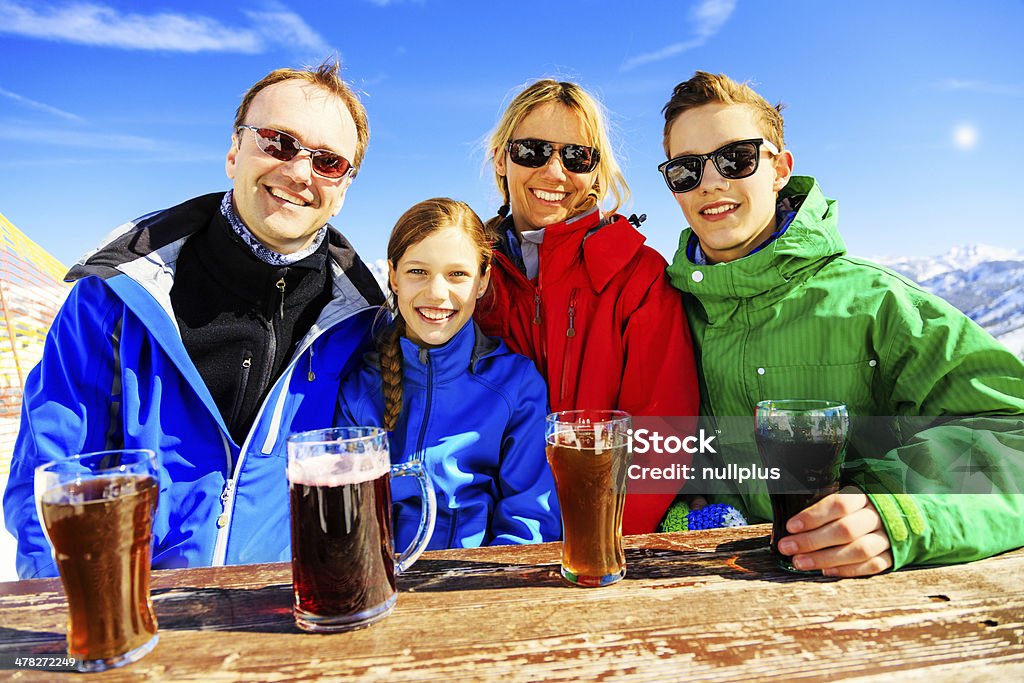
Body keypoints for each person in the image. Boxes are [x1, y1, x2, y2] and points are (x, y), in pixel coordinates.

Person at [4, 61, 385, 579]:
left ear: (343, 191)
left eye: (329, 163)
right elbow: (48, 479)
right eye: (278, 141)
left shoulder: (358, 321)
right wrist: (78, 622)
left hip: (283, 613)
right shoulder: (117, 299)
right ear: (234, 152)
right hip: (140, 612)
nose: (299, 172)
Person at [660, 71, 1024, 576]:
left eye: (736, 158)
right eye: (686, 170)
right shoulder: (661, 308)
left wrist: (902, 512)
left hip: (861, 610)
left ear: (780, 169)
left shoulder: (879, 305)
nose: (712, 182)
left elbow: (1011, 431)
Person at [474, 79, 700, 535]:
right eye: (533, 151)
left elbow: (663, 436)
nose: (555, 172)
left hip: (598, 543)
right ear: (501, 158)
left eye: (577, 156)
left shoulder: (636, 276)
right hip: (485, 542)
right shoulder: (472, 275)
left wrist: (598, 541)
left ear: (597, 171)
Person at [337, 198, 560, 550]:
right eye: (417, 272)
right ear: (393, 276)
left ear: (483, 281)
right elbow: (347, 517)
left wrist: (487, 590)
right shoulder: (360, 388)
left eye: (457, 274)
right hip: (385, 582)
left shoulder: (515, 386)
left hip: (478, 586)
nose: (437, 293)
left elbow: (529, 517)